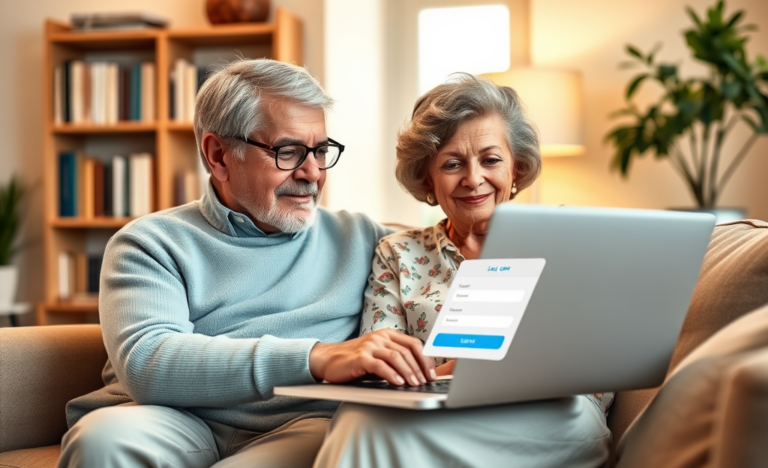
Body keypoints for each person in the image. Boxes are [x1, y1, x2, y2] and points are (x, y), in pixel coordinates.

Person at [58, 59, 436, 468]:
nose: (312, 173)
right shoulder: (149, 243)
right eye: (288, 152)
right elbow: (148, 361)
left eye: (321, 151)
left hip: (303, 422)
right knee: (102, 440)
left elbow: (448, 263)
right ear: (218, 155)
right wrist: (316, 357)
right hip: (171, 418)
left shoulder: (365, 239)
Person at [341, 73, 612, 466]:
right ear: (427, 179)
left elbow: (600, 360)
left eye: (491, 159)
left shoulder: (562, 237)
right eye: (452, 163)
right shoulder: (397, 253)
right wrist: (461, 371)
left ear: (516, 169)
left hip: (548, 412)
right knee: (357, 420)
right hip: (435, 412)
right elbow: (382, 363)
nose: (473, 178)